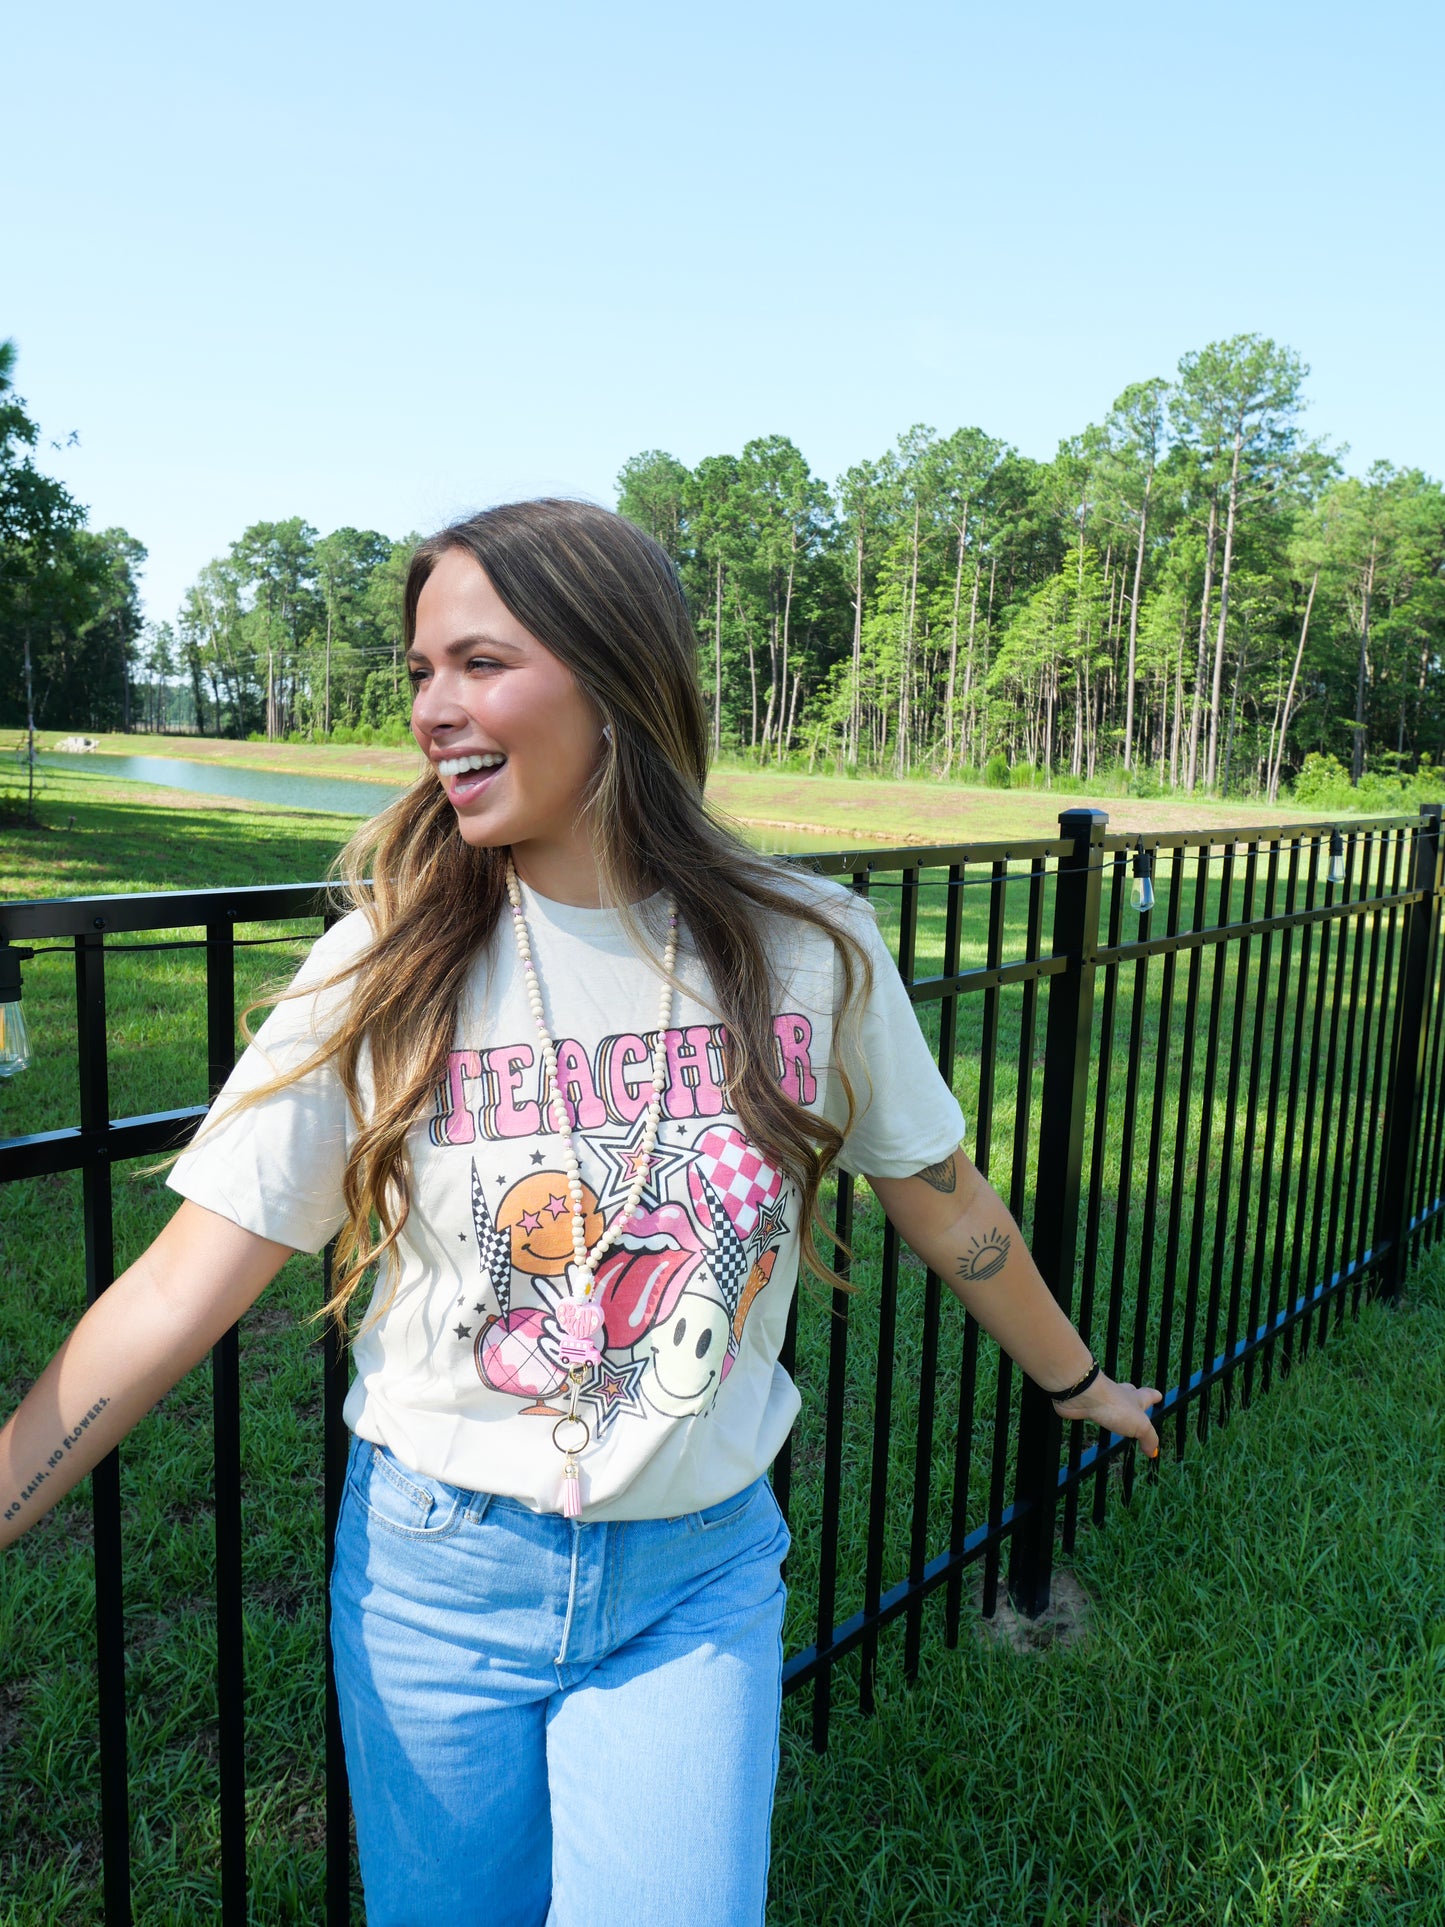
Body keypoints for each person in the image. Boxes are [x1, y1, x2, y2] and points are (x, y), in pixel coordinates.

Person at [0, 500, 1161, 1927]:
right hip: (438, 1572)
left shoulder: (809, 951)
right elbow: (181, 1289)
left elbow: (942, 1198)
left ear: (614, 678)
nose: (433, 709)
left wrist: (1076, 1378)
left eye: (479, 663)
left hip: (696, 1576)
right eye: (421, 670)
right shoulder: (382, 966)